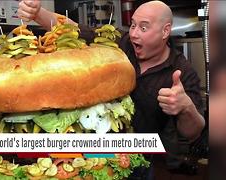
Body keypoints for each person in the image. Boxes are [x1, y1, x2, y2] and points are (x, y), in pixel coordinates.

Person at [18, 0, 205, 179]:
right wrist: (38, 13)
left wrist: (185, 107)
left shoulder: (183, 72)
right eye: (133, 25)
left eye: (144, 28)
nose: (134, 34)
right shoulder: (120, 42)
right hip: (96, 155)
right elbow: (75, 29)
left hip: (139, 161)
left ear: (165, 31)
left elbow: (193, 132)